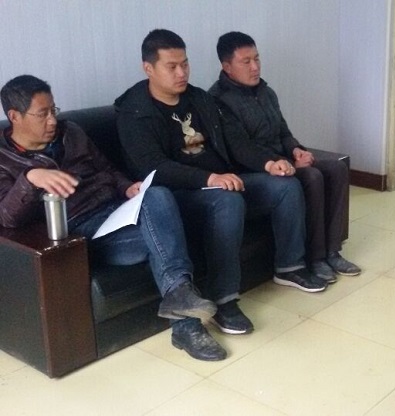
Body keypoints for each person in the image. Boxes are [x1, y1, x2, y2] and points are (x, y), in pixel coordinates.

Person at [0, 74, 232, 362]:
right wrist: (30, 178)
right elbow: (7, 218)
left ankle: (182, 306)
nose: (52, 120)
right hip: (84, 234)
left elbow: (106, 169)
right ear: (15, 116)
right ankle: (187, 325)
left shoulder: (71, 133)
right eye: (42, 113)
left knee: (157, 196)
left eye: (53, 110)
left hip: (116, 212)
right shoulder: (5, 159)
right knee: (165, 238)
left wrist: (127, 187)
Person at [115, 29, 328, 297]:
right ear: (149, 68)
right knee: (227, 200)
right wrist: (211, 179)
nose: (182, 73)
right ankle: (224, 297)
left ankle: (289, 267)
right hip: (180, 195)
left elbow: (236, 141)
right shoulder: (135, 111)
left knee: (285, 186)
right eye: (172, 67)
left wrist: (269, 163)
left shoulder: (199, 99)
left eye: (185, 64)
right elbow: (154, 167)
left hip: (221, 181)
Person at [208, 31, 361, 282]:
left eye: (257, 58)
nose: (255, 67)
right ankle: (315, 258)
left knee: (336, 168)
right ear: (227, 67)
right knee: (311, 176)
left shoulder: (266, 92)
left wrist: (296, 150)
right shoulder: (218, 101)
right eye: (246, 62)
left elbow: (283, 131)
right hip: (255, 170)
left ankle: (332, 251)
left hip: (282, 162)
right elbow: (240, 149)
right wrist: (282, 163)